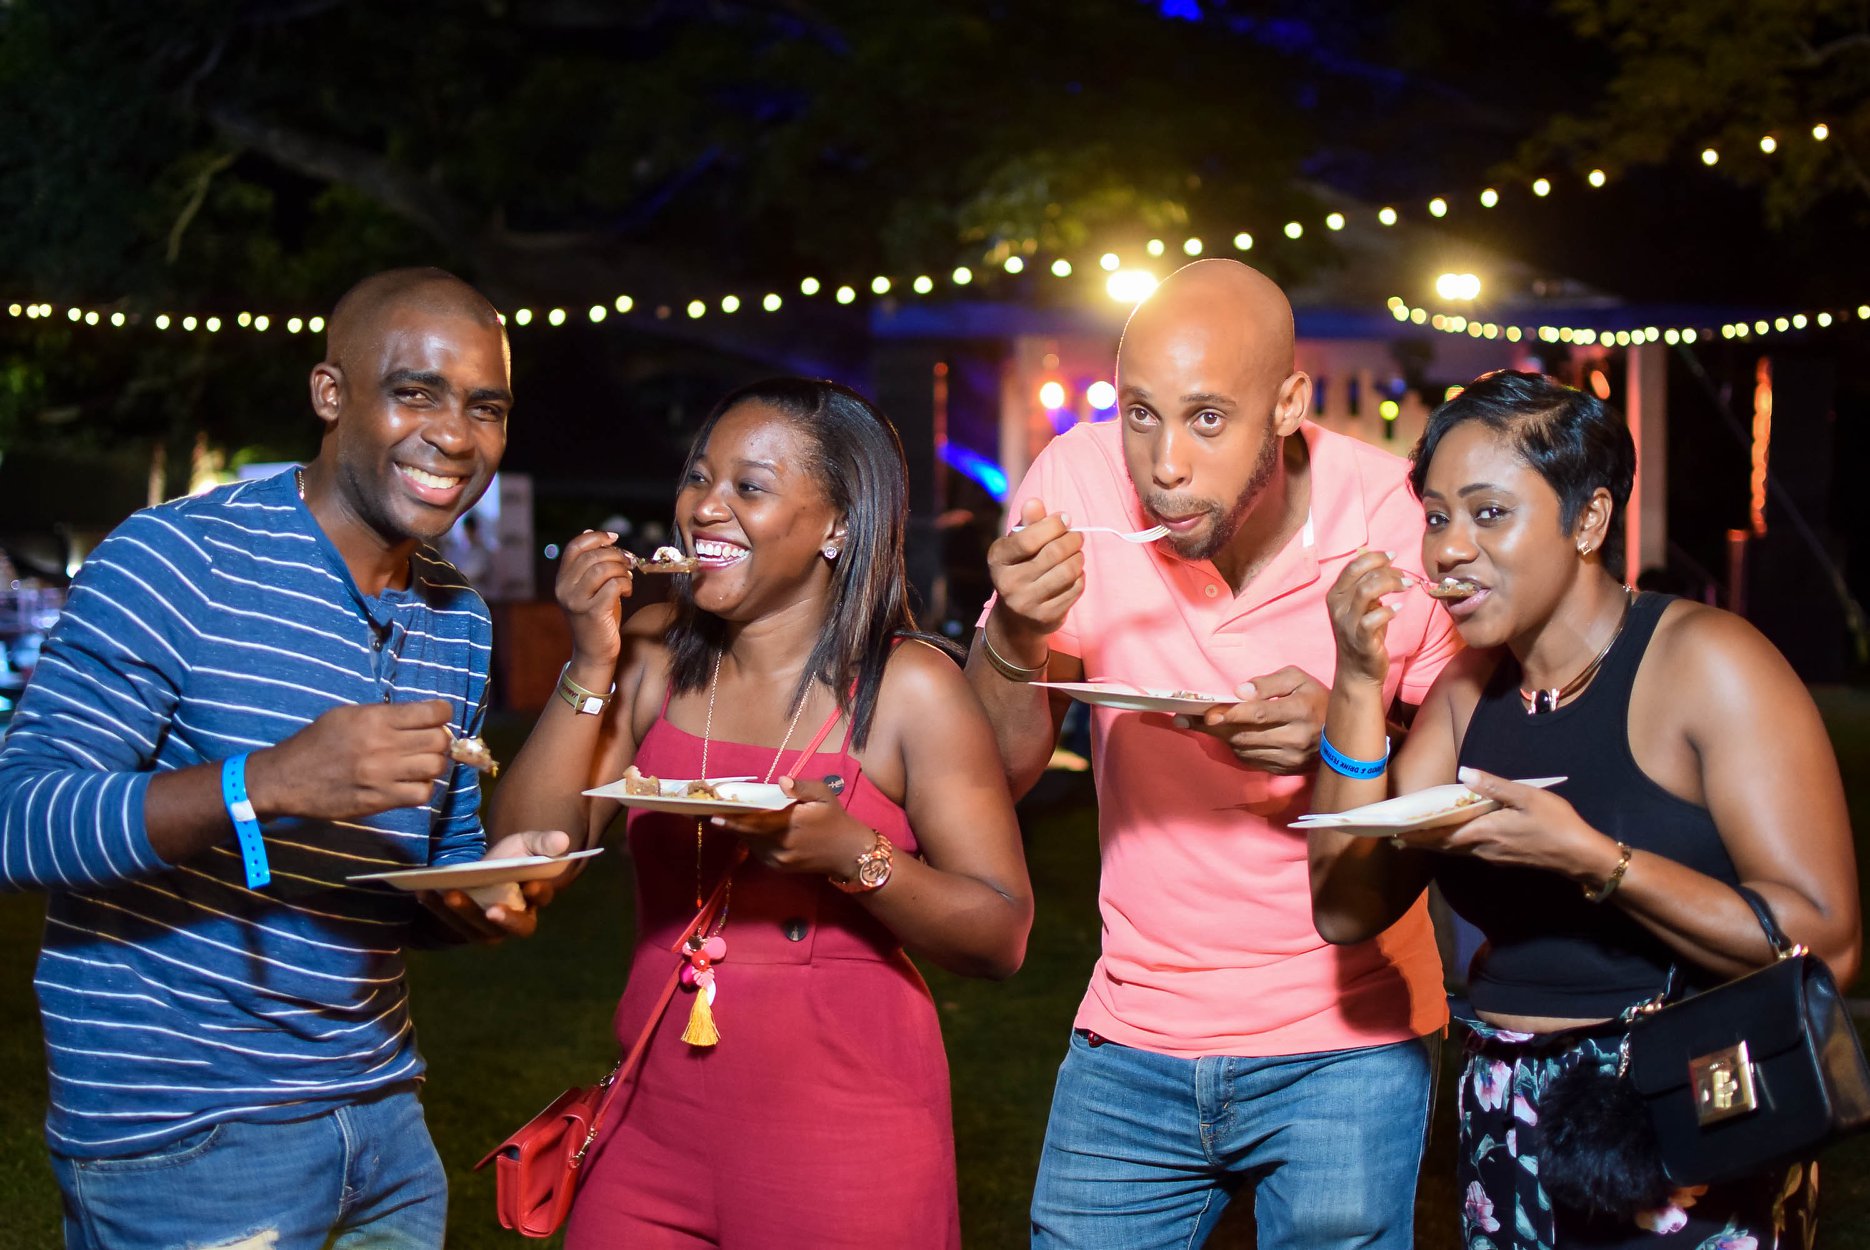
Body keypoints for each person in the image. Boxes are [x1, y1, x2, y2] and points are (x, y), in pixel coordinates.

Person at [0, 267, 564, 1250]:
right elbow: (19, 819)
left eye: (487, 407)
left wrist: (476, 900)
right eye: (416, 392)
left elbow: (409, 887)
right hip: (189, 1139)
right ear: (330, 393)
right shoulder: (178, 560)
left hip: (384, 1126)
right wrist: (262, 784)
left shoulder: (458, 621)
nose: (455, 436)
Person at [966, 258, 1462, 1249]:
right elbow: (998, 774)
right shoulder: (1074, 482)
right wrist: (1016, 630)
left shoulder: (1394, 518)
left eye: (1205, 418)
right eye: (1140, 414)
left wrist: (1349, 732)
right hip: (1132, 1027)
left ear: (1287, 403)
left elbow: (1468, 780)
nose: (1163, 463)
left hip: (1350, 1034)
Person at [1309, 370, 1861, 1247]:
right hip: (1506, 1114)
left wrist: (1597, 862)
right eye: (1437, 517)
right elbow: (1345, 908)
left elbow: (1826, 943)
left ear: (1589, 520)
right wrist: (1357, 682)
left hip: (1682, 1108)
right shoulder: (1464, 693)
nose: (1449, 549)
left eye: (1489, 513)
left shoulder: (1709, 662)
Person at [488, 377, 1032, 1248]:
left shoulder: (912, 688)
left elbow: (1000, 934)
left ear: (837, 526)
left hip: (846, 1143)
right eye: (699, 477)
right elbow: (526, 853)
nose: (705, 507)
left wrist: (856, 856)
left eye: (749, 486)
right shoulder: (652, 652)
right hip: (648, 1132)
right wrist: (589, 662)